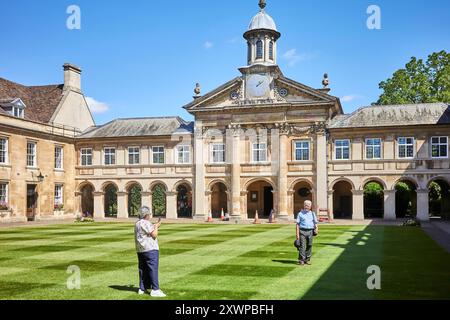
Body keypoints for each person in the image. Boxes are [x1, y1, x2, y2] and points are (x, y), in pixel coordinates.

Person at [134, 206, 166, 297]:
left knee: (143, 269)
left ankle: (142, 288)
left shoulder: (137, 223)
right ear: (147, 215)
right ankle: (155, 289)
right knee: (153, 269)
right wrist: (156, 226)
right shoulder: (146, 223)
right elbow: (154, 235)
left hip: (140, 250)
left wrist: (154, 226)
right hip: (150, 249)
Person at [295, 200, 319, 266]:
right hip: (302, 231)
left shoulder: (312, 213)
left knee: (309, 245)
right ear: (303, 205)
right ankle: (301, 260)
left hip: (310, 231)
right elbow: (297, 224)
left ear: (310, 206)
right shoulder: (300, 213)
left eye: (308, 205)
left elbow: (315, 222)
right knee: (302, 246)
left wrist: (316, 229)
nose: (306, 206)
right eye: (305, 205)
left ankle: (307, 259)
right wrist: (297, 234)